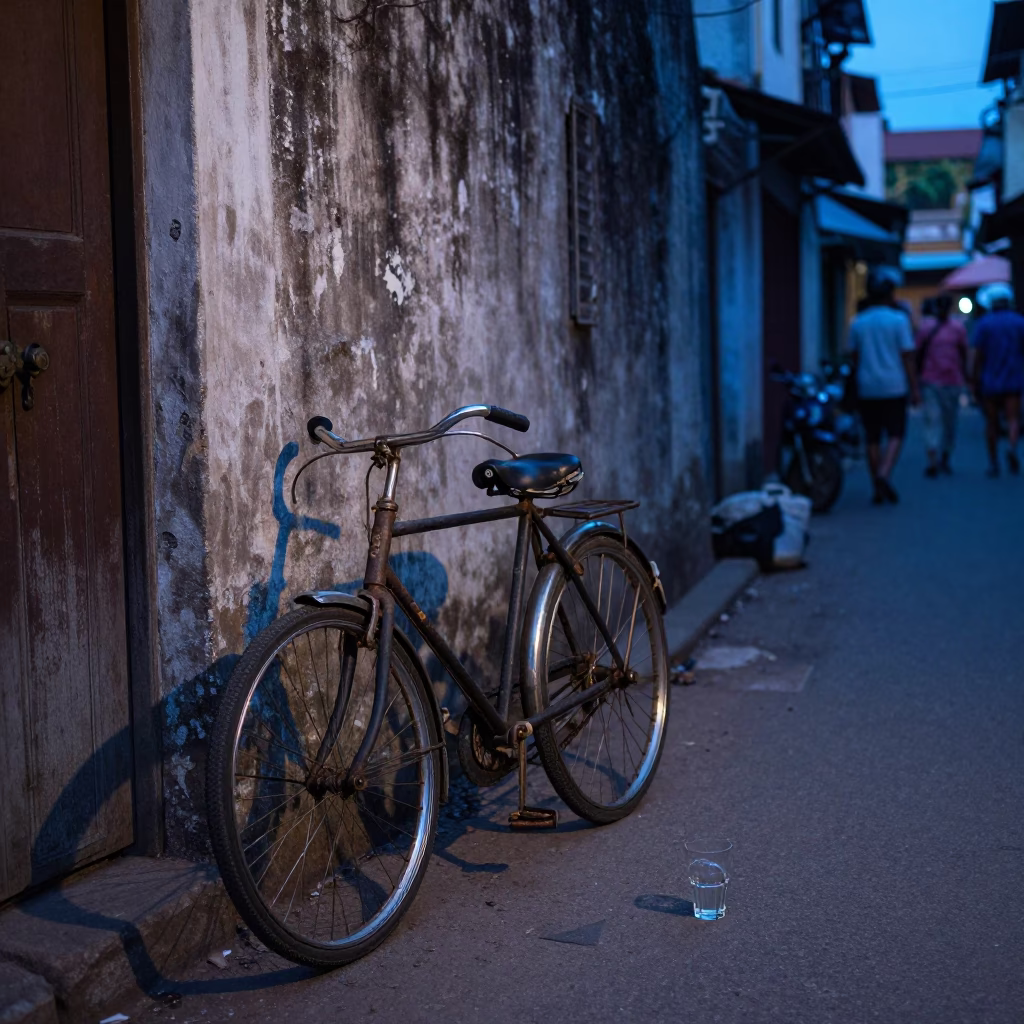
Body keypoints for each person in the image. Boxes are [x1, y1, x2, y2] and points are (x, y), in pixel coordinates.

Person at [846, 268, 920, 504]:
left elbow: (853, 358)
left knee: (872, 437)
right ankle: (884, 473)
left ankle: (876, 484)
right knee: (896, 433)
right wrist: (914, 387)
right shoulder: (898, 321)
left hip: (867, 386)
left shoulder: (858, 323)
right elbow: (908, 356)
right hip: (894, 385)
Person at [972, 282, 1024, 477]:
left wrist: (973, 378)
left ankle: (993, 462)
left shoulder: (984, 323)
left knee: (991, 423)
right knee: (1013, 419)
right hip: (1014, 378)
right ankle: (1011, 448)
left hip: (990, 380)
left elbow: (977, 354)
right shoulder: (1019, 322)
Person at [916, 294, 968, 477]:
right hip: (931, 380)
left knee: (949, 422)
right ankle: (933, 459)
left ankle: (944, 455)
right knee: (933, 420)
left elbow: (964, 353)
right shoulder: (927, 328)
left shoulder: (958, 329)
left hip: (952, 380)